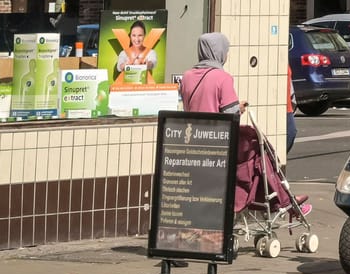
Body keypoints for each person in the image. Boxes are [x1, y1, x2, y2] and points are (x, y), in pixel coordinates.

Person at [180, 34, 308, 217]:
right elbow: (230, 115)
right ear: (218, 51)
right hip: (219, 145)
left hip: (193, 144)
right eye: (226, 50)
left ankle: (284, 201)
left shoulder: (187, 77)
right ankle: (284, 201)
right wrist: (239, 108)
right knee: (259, 158)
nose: (227, 55)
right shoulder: (222, 78)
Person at [114, 18, 154, 82]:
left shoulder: (151, 52)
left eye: (140, 35)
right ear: (130, 36)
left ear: (144, 35)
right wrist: (128, 63)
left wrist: (147, 64)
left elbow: (152, 63)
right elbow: (119, 67)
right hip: (128, 88)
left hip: (145, 88)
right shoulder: (124, 53)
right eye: (134, 35)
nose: (137, 39)